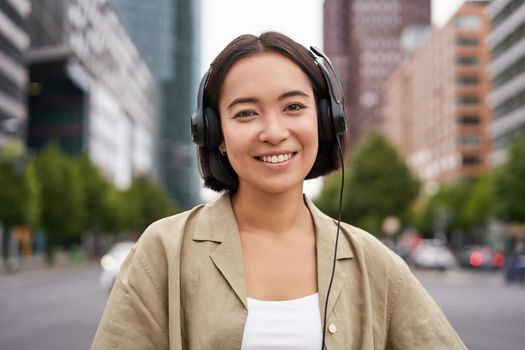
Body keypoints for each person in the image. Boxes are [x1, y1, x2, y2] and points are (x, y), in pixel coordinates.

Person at [91, 32, 466, 350]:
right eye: (246, 113)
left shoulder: (373, 262)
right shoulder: (162, 251)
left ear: (323, 121)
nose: (273, 131)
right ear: (215, 135)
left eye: (293, 107)